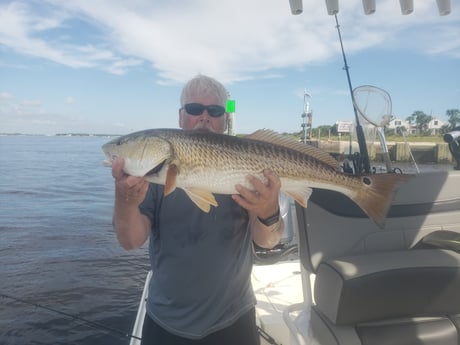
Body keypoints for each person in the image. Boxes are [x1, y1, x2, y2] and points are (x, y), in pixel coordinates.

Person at [111, 74, 284, 345]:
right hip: (167, 322)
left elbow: (268, 240)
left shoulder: (251, 166)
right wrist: (125, 199)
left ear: (225, 120)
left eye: (214, 111)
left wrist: (269, 210)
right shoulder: (152, 176)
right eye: (194, 109)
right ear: (181, 117)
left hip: (234, 319)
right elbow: (130, 240)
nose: (204, 117)